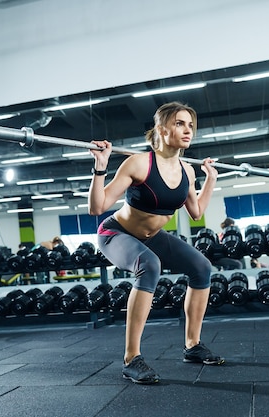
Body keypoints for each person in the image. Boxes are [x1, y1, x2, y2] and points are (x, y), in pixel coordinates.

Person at [88, 101, 224, 385]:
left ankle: (193, 345)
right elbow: (98, 207)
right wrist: (100, 167)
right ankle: (131, 359)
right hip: (116, 233)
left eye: (190, 125)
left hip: (153, 236)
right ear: (162, 130)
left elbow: (196, 211)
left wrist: (210, 179)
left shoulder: (187, 171)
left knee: (201, 267)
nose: (187, 130)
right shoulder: (138, 163)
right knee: (149, 264)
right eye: (179, 124)